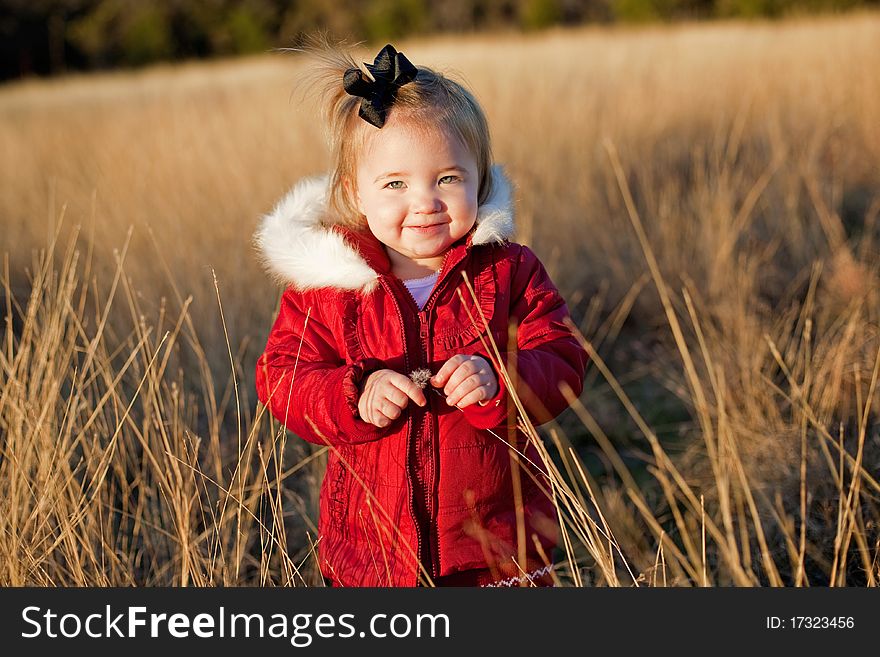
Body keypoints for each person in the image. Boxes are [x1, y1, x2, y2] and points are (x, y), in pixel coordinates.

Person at [254, 43, 587, 587]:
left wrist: (500, 375)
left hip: (494, 548)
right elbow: (282, 378)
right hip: (373, 550)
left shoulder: (508, 271)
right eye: (395, 184)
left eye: (448, 179)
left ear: (479, 179)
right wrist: (353, 393)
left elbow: (564, 357)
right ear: (352, 192)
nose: (425, 201)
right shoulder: (330, 286)